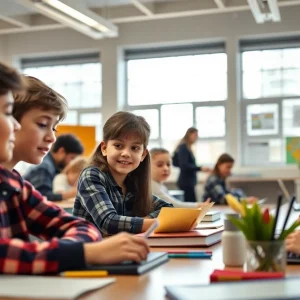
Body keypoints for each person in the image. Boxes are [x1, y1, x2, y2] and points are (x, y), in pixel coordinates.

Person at [0, 67, 149, 274]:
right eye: (43, 124)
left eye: (54, 128)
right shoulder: (90, 174)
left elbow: (82, 227)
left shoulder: (15, 184)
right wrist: (86, 253)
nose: (52, 138)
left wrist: (80, 249)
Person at [73, 111, 173, 235]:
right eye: (118, 145)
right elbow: (108, 223)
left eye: (134, 148)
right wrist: (153, 223)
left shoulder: (132, 182)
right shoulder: (91, 175)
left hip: (120, 249)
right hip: (90, 251)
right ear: (104, 148)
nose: (126, 153)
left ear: (143, 154)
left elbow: (167, 209)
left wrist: (145, 221)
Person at [24, 128, 84, 201]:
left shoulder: (54, 167)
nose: (72, 163)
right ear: (61, 151)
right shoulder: (44, 167)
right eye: (72, 158)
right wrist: (72, 193)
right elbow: (42, 196)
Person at [174, 127, 211, 203]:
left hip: (189, 182)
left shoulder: (187, 147)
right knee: (191, 205)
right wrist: (200, 168)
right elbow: (184, 165)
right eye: (195, 135)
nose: (197, 138)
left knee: (192, 203)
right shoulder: (183, 147)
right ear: (189, 134)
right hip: (186, 182)